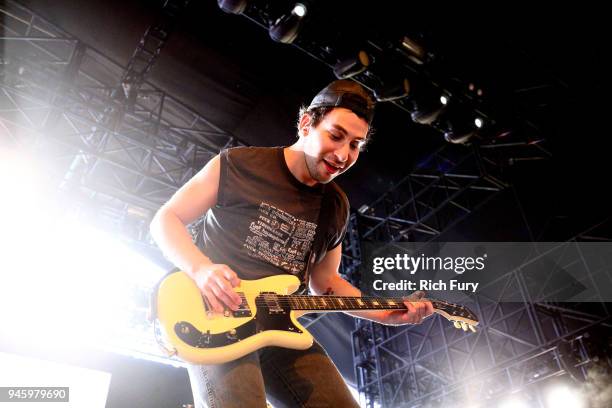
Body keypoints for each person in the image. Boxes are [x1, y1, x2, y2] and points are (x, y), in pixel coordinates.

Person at [150, 80, 434, 408]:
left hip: (277, 324)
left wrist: (388, 314)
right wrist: (201, 270)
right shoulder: (239, 164)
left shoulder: (336, 207)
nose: (343, 155)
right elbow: (166, 219)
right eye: (336, 135)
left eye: (355, 145)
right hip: (214, 314)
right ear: (306, 124)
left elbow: (326, 284)